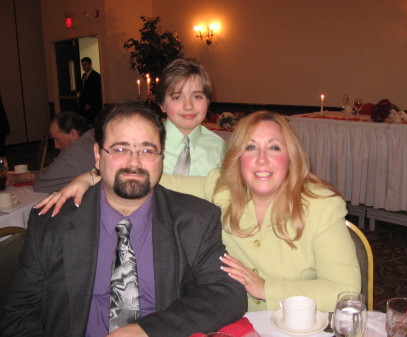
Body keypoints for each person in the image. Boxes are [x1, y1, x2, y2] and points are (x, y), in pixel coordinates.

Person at [36, 110, 361, 313]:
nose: (262, 159)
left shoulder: (320, 204)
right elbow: (152, 177)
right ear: (237, 157)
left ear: (291, 157)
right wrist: (91, 176)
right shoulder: (221, 186)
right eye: (251, 147)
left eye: (274, 148)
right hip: (230, 323)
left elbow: (345, 292)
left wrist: (266, 288)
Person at [0, 102, 247, 337]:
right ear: (98, 155)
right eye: (120, 149)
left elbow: (227, 293)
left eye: (147, 150)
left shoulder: (195, 220)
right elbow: (19, 315)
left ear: (161, 158)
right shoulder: (53, 222)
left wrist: (148, 330)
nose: (134, 162)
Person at [155, 59, 225, 176]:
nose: (188, 106)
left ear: (207, 101)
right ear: (162, 105)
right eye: (177, 97)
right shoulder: (146, 143)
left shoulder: (219, 148)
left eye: (197, 96)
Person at [7, 111, 95, 193]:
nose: (56, 146)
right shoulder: (93, 136)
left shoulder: (75, 151)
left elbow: (41, 184)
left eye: (57, 139)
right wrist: (16, 178)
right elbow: (53, 171)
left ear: (73, 134)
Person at [79, 56, 102, 126]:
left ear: (90, 64)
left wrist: (90, 103)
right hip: (84, 103)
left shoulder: (96, 76)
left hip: (93, 105)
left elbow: (96, 91)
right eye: (82, 65)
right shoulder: (84, 76)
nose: (83, 67)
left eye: (85, 65)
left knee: (92, 121)